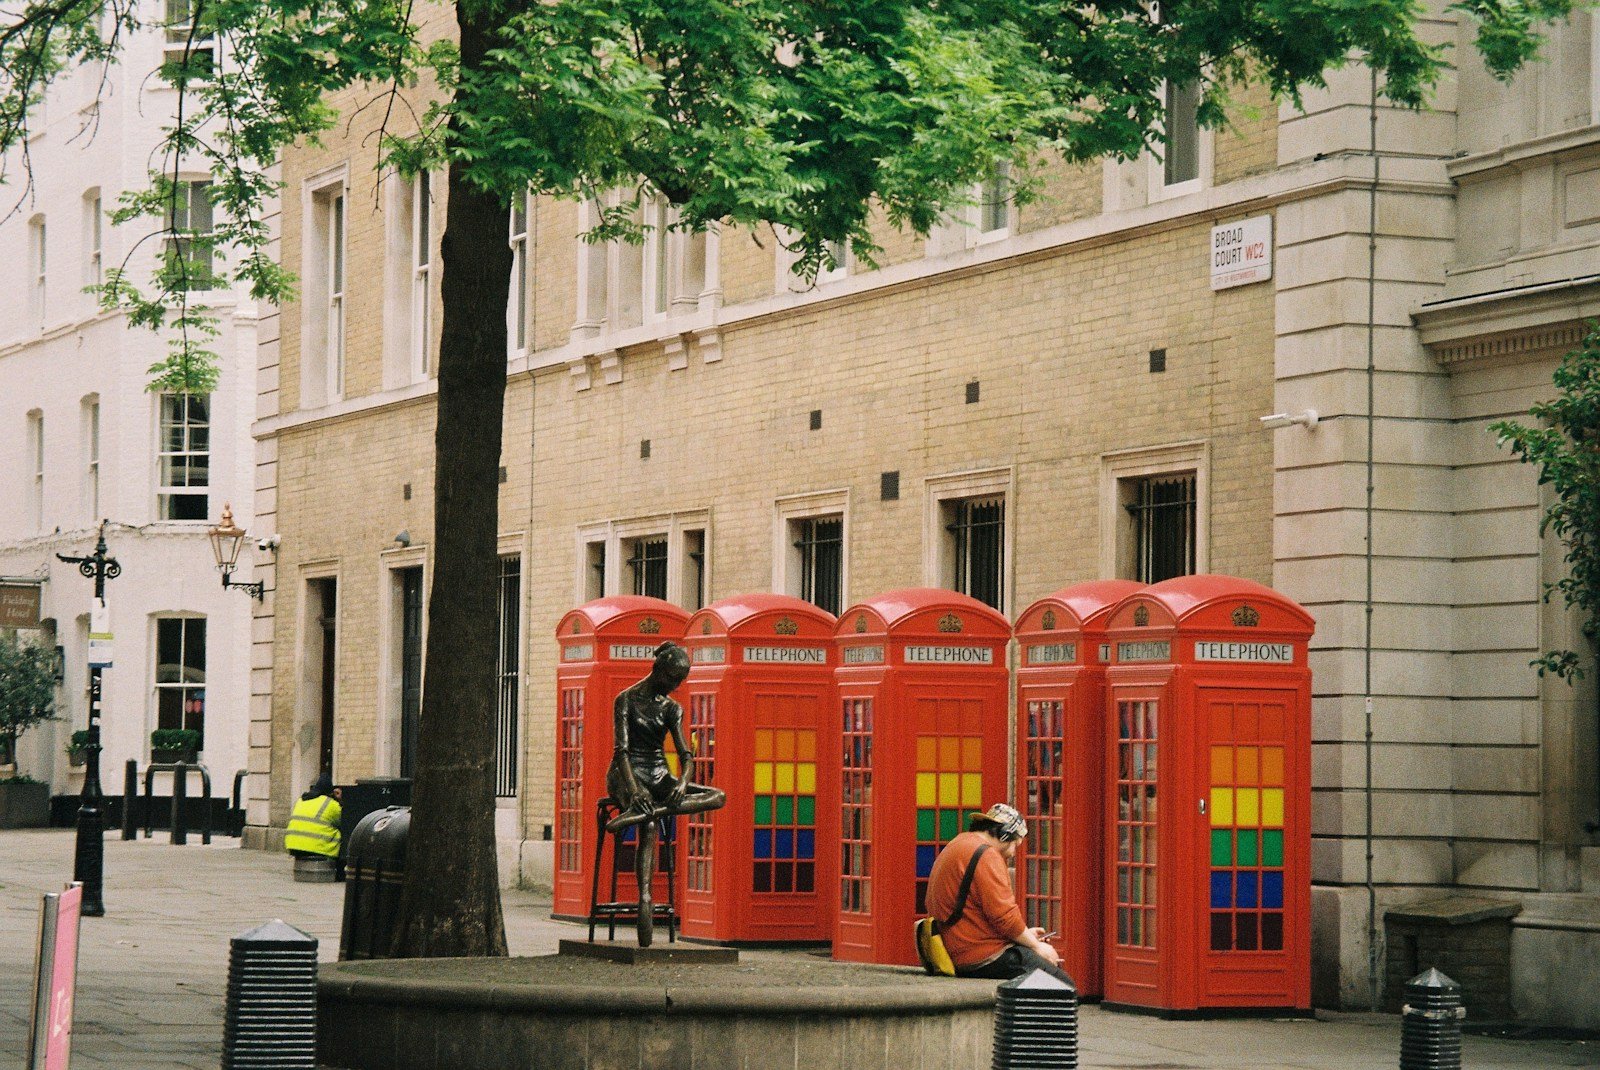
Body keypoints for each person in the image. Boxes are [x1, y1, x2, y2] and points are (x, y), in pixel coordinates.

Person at [605, 641, 726, 945]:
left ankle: (654, 811)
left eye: (681, 680)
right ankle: (645, 897)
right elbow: (621, 752)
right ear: (658, 669)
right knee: (647, 826)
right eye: (673, 678)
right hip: (627, 774)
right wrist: (635, 793)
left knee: (718, 796)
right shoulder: (626, 699)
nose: (676, 685)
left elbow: (686, 755)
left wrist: (683, 783)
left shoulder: (673, 708)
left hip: (660, 773)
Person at [925, 802, 1072, 983]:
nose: (1012, 853)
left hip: (955, 947)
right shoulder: (987, 855)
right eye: (1015, 844)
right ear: (1004, 835)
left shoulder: (959, 843)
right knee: (1063, 985)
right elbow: (1004, 917)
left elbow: (978, 912)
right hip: (979, 954)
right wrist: (1037, 947)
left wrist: (1025, 934)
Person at [285, 773, 343, 878]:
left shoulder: (301, 800)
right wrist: (339, 800)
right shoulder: (331, 804)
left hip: (294, 846)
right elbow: (343, 821)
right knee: (342, 834)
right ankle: (339, 874)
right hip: (317, 848)